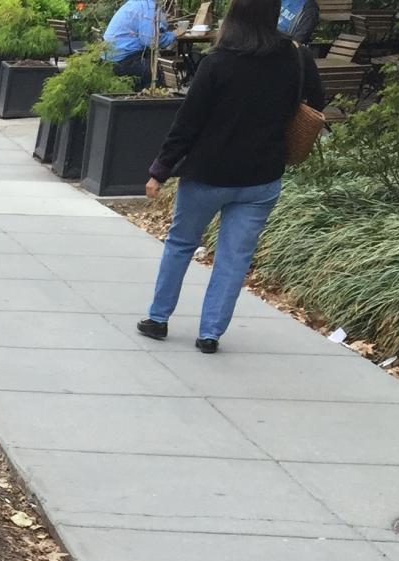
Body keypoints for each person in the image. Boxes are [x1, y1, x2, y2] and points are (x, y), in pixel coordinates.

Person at [138, 0, 323, 352]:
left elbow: (187, 124)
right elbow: (316, 102)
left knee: (180, 245)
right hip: (262, 177)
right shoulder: (296, 58)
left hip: (209, 173)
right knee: (234, 258)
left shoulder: (218, 62)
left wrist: (159, 171)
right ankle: (210, 335)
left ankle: (158, 319)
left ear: (235, 16)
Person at [104, 0, 176, 83]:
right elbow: (151, 41)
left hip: (109, 58)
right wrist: (173, 35)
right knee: (155, 75)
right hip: (124, 59)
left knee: (152, 65)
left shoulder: (137, 2)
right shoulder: (149, 8)